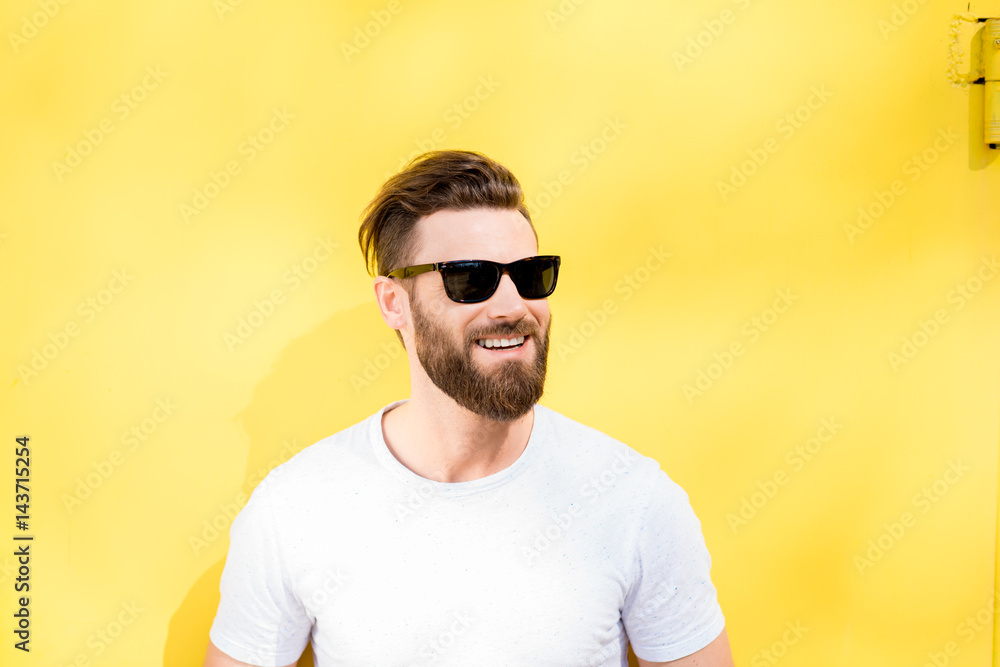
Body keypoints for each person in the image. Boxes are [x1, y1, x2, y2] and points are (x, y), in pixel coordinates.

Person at [204, 149, 734, 667]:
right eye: (470, 278)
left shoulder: (634, 501)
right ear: (394, 303)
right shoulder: (294, 509)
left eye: (529, 275)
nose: (511, 306)